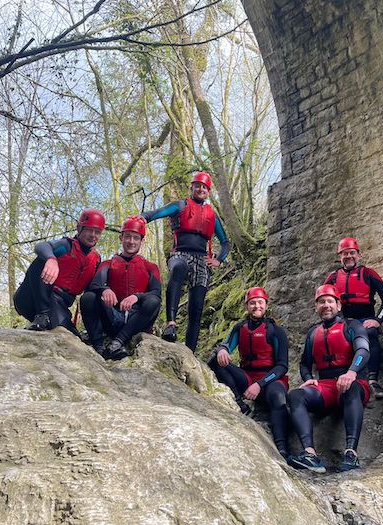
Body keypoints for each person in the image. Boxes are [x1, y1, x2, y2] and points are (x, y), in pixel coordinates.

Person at [140, 171, 230, 352]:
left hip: (202, 259)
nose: (201, 189)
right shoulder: (180, 206)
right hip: (180, 253)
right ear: (192, 188)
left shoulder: (212, 215)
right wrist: (142, 218)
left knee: (196, 306)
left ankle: (190, 349)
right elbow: (156, 213)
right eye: (197, 186)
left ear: (208, 191)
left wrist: (219, 259)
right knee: (178, 269)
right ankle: (171, 323)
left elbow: (225, 242)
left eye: (204, 187)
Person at [287, 285, 371, 473]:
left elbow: (363, 350)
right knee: (295, 396)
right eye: (321, 302)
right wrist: (308, 378)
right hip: (326, 385)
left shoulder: (352, 325)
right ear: (316, 307)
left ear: (338, 305)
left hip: (354, 382)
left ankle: (351, 453)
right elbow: (304, 363)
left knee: (351, 389)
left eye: (330, 301)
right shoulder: (313, 333)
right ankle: (310, 454)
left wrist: (351, 372)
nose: (326, 305)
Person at [207, 287, 291, 459]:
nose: (256, 306)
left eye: (260, 302)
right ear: (247, 306)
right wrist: (223, 349)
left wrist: (259, 385)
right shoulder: (240, 328)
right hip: (247, 376)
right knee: (215, 361)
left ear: (266, 305)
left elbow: (282, 366)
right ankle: (241, 405)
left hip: (271, 380)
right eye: (252, 303)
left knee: (277, 396)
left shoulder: (276, 331)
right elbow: (227, 345)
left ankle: (282, 447)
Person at [80, 216, 162, 360]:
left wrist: (137, 296)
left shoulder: (151, 267)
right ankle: (99, 346)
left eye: (136, 238)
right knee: (88, 297)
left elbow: (156, 292)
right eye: (128, 237)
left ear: (142, 241)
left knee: (153, 301)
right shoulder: (108, 263)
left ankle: (117, 343)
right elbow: (94, 285)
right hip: (113, 316)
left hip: (136, 320)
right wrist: (105, 289)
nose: (131, 241)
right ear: (121, 238)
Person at [14, 208, 104, 333]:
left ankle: (50, 320)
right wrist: (51, 259)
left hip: (59, 303)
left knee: (68, 333)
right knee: (42, 260)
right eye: (89, 230)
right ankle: (42, 315)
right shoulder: (66, 247)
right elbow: (42, 247)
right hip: (31, 298)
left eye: (97, 232)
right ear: (79, 228)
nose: (93, 235)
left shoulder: (96, 259)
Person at [324, 237, 383, 399]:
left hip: (365, 318)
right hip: (343, 321)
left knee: (370, 335)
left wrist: (378, 320)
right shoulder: (333, 278)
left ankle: (372, 380)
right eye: (345, 253)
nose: (348, 256)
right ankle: (337, 380)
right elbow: (323, 299)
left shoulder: (368, 274)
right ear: (340, 256)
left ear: (358, 255)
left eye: (352, 253)